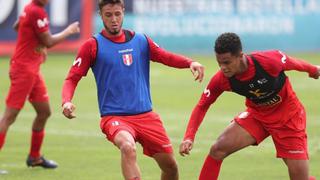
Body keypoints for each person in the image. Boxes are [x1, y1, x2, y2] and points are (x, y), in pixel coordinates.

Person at [61, 0, 204, 179]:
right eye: (108, 15)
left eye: (117, 14)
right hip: (115, 117)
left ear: (123, 12)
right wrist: (66, 101)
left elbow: (165, 56)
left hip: (147, 116)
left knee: (171, 167)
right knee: (128, 147)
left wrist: (190, 62)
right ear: (101, 16)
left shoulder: (141, 40)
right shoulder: (92, 45)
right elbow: (72, 78)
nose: (114, 19)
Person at [179, 32, 320, 180]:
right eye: (219, 62)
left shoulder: (268, 61)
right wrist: (189, 137)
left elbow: (292, 63)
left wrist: (313, 70)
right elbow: (202, 105)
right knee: (218, 149)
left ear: (240, 56)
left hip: (288, 117)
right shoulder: (222, 79)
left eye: (227, 62)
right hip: (257, 116)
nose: (223, 67)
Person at [0, 0, 80, 172]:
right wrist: (69, 31)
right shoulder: (36, 10)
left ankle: (34, 157)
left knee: (44, 112)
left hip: (32, 69)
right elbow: (50, 41)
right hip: (23, 70)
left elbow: (18, 26)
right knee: (9, 117)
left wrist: (37, 44)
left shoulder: (30, 8)